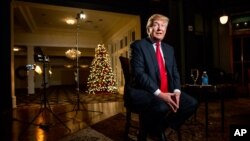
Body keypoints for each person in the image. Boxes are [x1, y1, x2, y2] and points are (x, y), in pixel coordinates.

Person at [128, 14, 198, 141]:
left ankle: (160, 127)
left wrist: (177, 91)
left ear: (165, 30)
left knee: (191, 103)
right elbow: (139, 74)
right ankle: (151, 129)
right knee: (162, 106)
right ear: (148, 28)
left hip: (168, 90)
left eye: (163, 26)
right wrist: (160, 94)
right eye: (156, 25)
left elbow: (175, 72)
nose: (160, 29)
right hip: (146, 91)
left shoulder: (169, 49)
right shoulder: (138, 46)